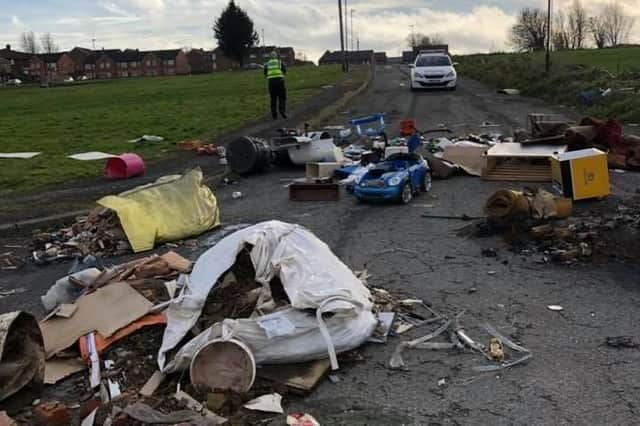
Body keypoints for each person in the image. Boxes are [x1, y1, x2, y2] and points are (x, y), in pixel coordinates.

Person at [264, 51, 287, 119]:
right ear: (276, 56)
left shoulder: (267, 64)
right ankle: (282, 110)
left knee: (273, 99)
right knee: (282, 97)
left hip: (271, 83)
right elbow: (284, 71)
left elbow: (265, 73)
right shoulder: (279, 62)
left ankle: (274, 115)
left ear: (270, 56)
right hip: (280, 82)